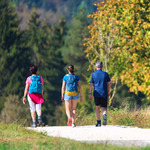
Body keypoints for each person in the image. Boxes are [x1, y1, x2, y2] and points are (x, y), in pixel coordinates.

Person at [89, 61, 111, 127]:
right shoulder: (105, 74)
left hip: (96, 93)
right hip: (104, 92)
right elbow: (109, 83)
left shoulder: (93, 74)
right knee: (104, 107)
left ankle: (98, 122)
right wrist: (108, 91)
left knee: (97, 106)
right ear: (102, 67)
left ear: (96, 67)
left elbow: (91, 84)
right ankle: (104, 114)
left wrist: (90, 93)